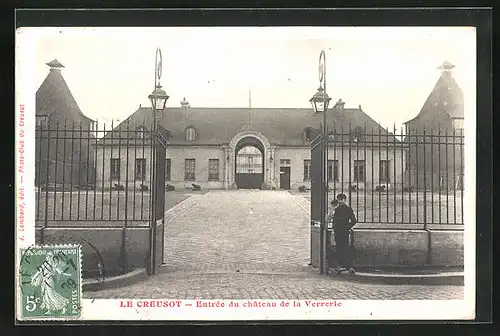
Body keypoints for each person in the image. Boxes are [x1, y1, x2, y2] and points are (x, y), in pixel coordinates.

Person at [332, 193, 357, 274]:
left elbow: (353, 220)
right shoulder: (337, 209)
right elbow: (334, 220)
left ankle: (349, 266)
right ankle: (339, 266)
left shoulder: (348, 209)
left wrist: (347, 227)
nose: (340, 201)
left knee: (345, 248)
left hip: (344, 232)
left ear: (345, 200)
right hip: (337, 231)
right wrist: (334, 228)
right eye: (339, 199)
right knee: (338, 248)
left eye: (341, 199)